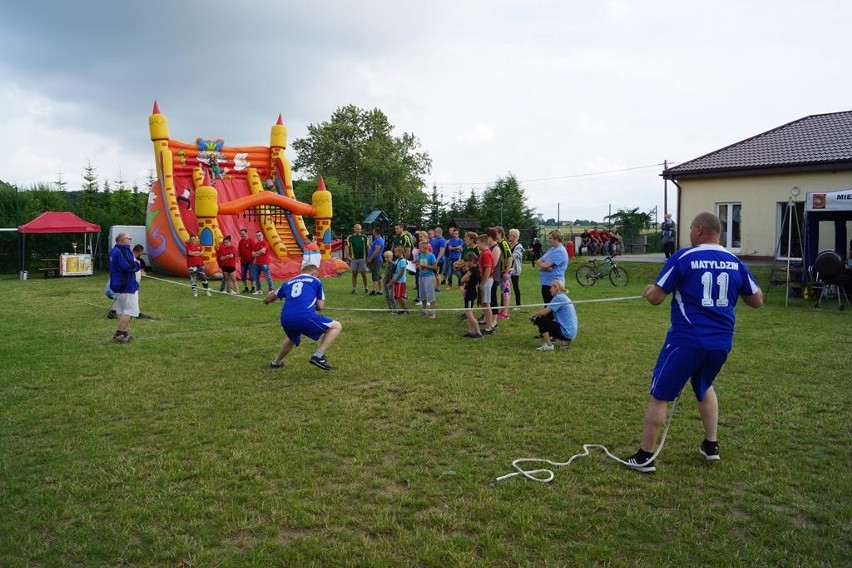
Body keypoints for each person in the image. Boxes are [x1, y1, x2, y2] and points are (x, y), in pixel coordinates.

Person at [624, 212, 763, 473]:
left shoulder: (684, 257)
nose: (688, 232)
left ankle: (645, 456)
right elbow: (757, 300)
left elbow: (656, 297)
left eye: (690, 228)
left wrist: (647, 290)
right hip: (720, 344)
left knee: (659, 396)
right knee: (704, 385)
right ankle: (711, 446)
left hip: (686, 341)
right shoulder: (735, 261)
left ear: (699, 230)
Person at [264, 264, 342, 371]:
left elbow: (269, 299)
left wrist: (266, 299)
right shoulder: (315, 281)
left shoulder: (288, 282)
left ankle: (276, 362)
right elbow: (320, 306)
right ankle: (318, 355)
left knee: (292, 337)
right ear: (314, 273)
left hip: (285, 319)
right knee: (336, 326)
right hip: (304, 317)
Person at [108, 232, 141, 343]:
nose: (130, 240)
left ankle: (124, 332)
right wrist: (137, 265)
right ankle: (120, 333)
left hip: (119, 283)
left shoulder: (114, 250)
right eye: (129, 238)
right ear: (122, 240)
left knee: (122, 310)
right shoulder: (122, 250)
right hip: (126, 285)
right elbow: (128, 265)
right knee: (130, 311)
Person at [529, 281, 578, 351]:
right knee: (547, 321)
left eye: (551, 287)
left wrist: (533, 315)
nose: (550, 290)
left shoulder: (559, 298)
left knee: (540, 319)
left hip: (566, 332)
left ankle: (549, 345)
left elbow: (544, 312)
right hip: (570, 333)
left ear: (556, 288)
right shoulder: (564, 297)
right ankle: (565, 341)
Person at [107, 244, 151, 319]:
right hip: (128, 282)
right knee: (129, 297)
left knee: (122, 296)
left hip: (128, 282)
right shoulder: (130, 258)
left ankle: (113, 311)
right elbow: (129, 268)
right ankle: (136, 313)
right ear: (140, 251)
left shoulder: (130, 257)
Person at [535, 230, 569, 305]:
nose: (548, 240)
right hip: (546, 283)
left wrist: (544, 266)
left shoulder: (560, 251)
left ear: (556, 239)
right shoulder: (552, 249)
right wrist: (545, 267)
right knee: (547, 306)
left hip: (554, 285)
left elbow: (544, 265)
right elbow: (538, 261)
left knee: (552, 310)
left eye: (550, 238)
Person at [476, 234, 496, 334]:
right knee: (484, 303)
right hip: (486, 280)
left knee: (486, 303)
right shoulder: (484, 253)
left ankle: (489, 327)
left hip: (487, 280)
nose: (477, 245)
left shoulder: (486, 253)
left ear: (484, 243)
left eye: (478, 243)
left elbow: (488, 269)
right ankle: (489, 324)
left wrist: (482, 283)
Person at [460, 252, 483, 338]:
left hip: (470, 293)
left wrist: (465, 272)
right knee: (469, 312)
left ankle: (478, 332)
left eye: (466, 262)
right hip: (469, 293)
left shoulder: (472, 270)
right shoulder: (474, 270)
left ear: (471, 261)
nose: (465, 263)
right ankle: (471, 331)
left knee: (469, 313)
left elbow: (462, 279)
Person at [416, 239, 438, 319]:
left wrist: (426, 266)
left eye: (420, 248)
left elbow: (435, 266)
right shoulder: (421, 255)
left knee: (430, 294)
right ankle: (424, 310)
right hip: (421, 276)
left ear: (425, 248)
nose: (419, 249)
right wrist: (418, 265)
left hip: (428, 277)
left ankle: (433, 312)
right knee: (422, 294)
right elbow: (420, 263)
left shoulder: (431, 256)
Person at [347, 223, 369, 294]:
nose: (359, 230)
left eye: (360, 229)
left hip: (362, 258)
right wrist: (348, 256)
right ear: (354, 229)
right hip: (354, 259)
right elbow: (347, 247)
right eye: (357, 229)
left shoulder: (364, 237)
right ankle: (354, 289)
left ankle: (366, 288)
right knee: (354, 274)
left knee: (364, 274)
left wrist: (368, 257)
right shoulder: (350, 237)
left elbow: (368, 247)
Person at [252, 230, 274, 294]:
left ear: (262, 236)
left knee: (267, 276)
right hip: (257, 263)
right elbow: (253, 254)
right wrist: (258, 252)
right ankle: (259, 290)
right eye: (257, 236)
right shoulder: (256, 244)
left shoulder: (265, 243)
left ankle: (271, 289)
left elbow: (263, 251)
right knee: (256, 277)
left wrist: (257, 253)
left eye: (259, 235)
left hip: (264, 263)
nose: (258, 237)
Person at [389, 245, 409, 314]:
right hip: (397, 281)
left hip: (401, 281)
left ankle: (405, 309)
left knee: (400, 296)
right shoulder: (397, 260)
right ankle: (402, 309)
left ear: (400, 252)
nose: (394, 253)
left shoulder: (403, 260)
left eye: (396, 252)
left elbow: (401, 272)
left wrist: (395, 280)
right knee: (397, 296)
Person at [508, 228, 525, 310]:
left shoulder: (519, 247)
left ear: (514, 236)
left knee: (515, 287)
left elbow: (514, 256)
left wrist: (507, 255)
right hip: (507, 269)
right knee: (506, 287)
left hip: (514, 270)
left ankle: (518, 305)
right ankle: (504, 304)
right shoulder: (508, 244)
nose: (509, 236)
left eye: (510, 235)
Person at [366, 226, 385, 295]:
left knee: (375, 276)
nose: (372, 232)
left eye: (373, 231)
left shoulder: (379, 240)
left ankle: (374, 290)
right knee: (378, 275)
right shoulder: (377, 239)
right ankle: (381, 290)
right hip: (376, 260)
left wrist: (370, 258)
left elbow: (377, 251)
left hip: (376, 260)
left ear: (376, 232)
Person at [237, 228, 255, 294]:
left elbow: (254, 251)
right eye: (241, 234)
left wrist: (255, 259)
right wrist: (238, 256)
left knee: (251, 275)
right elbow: (239, 250)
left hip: (251, 261)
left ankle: (253, 288)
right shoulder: (240, 242)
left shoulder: (251, 241)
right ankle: (246, 288)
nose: (242, 235)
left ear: (247, 233)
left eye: (243, 234)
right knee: (243, 275)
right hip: (243, 261)